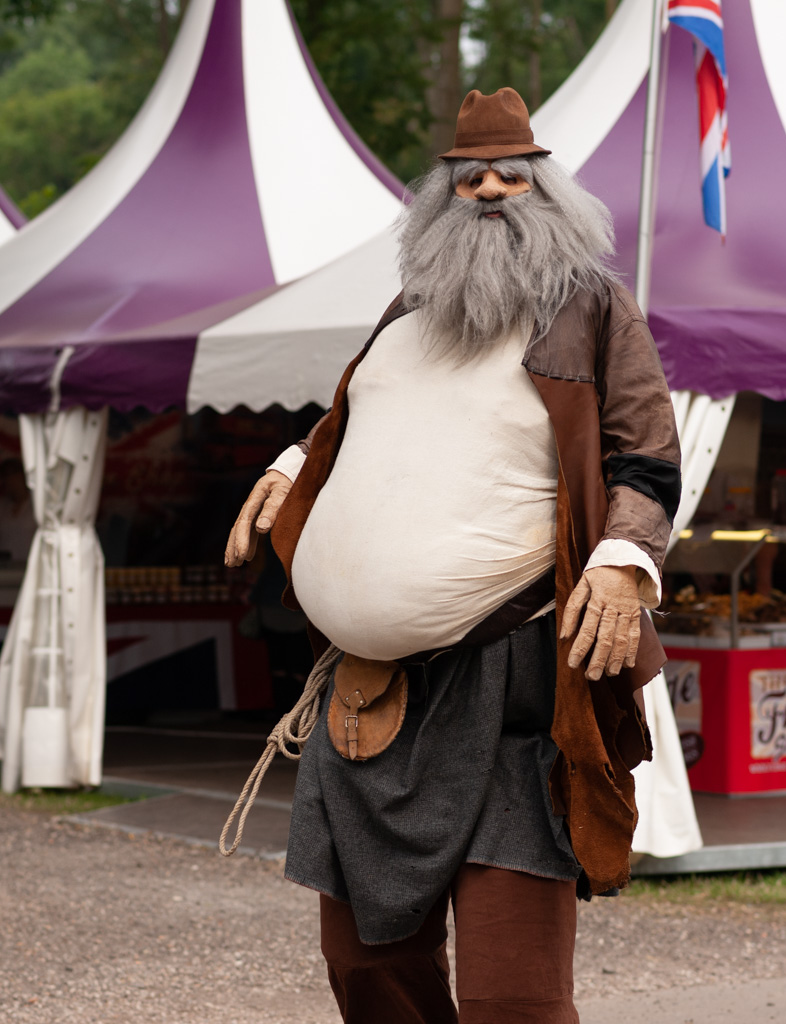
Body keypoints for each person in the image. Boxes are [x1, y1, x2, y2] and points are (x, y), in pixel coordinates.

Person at [223, 88, 679, 1023]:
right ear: (441, 199)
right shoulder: (406, 310)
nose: (490, 192)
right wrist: (291, 465)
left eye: (512, 176)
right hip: (374, 688)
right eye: (469, 179)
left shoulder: (591, 305)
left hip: (512, 683)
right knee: (363, 967)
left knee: (512, 993)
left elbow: (645, 452)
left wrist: (623, 556)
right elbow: (353, 422)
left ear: (548, 193)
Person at [0, 457, 34, 564]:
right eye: (6, 476)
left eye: (14, 474)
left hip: (30, 566)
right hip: (3, 568)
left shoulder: (36, 507)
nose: (11, 480)